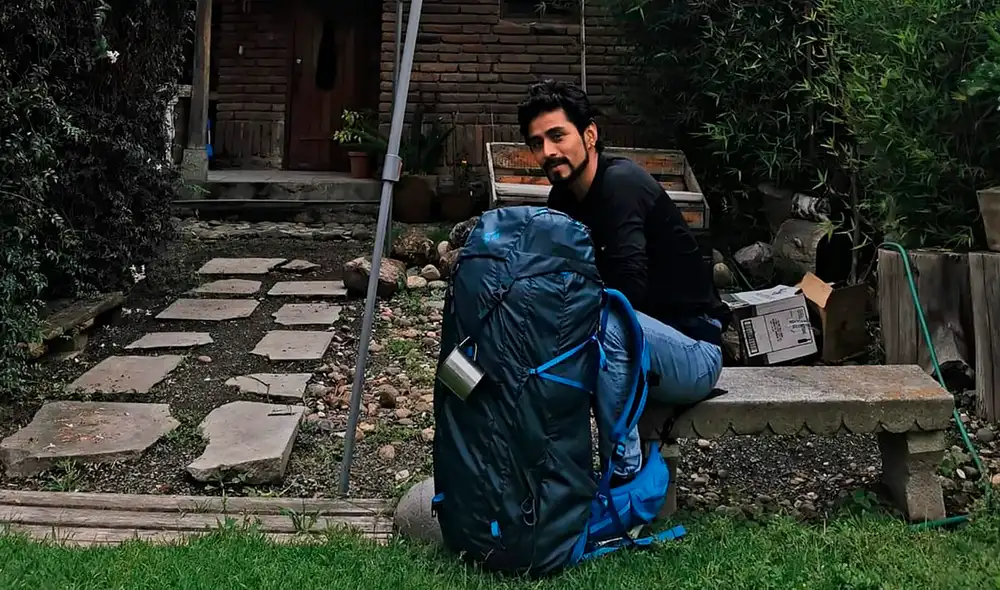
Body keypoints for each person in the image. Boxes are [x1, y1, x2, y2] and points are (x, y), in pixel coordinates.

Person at [516, 79, 730, 478]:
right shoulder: (562, 199)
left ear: (590, 134)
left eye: (557, 135)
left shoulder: (621, 185)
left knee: (604, 316)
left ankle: (622, 479)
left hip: (693, 349)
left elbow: (628, 291)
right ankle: (552, 479)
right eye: (537, 142)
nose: (547, 152)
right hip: (635, 347)